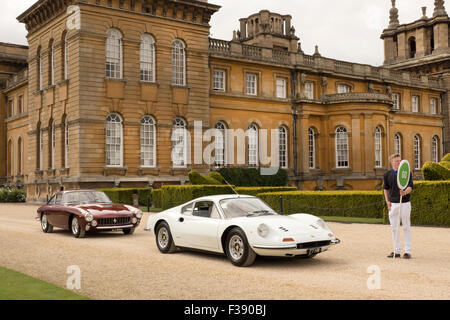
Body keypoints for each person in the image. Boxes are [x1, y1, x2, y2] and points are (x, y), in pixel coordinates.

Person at [383, 154, 414, 259]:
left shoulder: (407, 173)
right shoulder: (387, 174)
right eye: (397, 161)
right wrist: (387, 201)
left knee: (406, 227)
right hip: (393, 204)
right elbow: (385, 189)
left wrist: (405, 192)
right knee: (394, 228)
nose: (399, 163)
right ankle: (396, 251)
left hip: (405, 203)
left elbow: (410, 187)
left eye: (400, 161)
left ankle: (407, 251)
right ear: (391, 162)